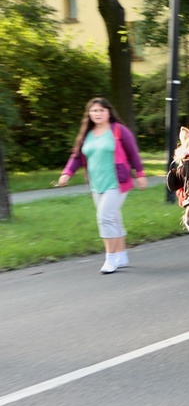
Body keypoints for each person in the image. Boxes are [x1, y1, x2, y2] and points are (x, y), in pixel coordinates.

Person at [57, 98, 147, 274]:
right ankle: (121, 255)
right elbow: (76, 157)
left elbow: (133, 154)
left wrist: (140, 174)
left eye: (101, 110)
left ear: (108, 112)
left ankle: (110, 258)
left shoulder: (119, 131)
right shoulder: (87, 134)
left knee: (105, 218)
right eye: (94, 111)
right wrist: (67, 173)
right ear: (89, 114)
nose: (98, 114)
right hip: (96, 184)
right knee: (113, 218)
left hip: (117, 182)